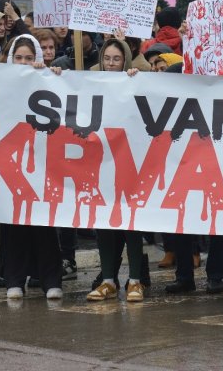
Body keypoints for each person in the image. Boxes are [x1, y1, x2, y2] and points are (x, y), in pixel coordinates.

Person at [0, 34, 64, 301]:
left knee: (44, 226)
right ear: (11, 58)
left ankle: (51, 280)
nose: (24, 62)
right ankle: (14, 279)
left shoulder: (49, 78)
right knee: (14, 226)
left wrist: (53, 74)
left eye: (29, 57)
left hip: (44, 163)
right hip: (12, 162)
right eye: (19, 57)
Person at [86, 38, 148, 303]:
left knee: (130, 222)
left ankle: (135, 280)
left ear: (125, 60)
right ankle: (108, 279)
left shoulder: (135, 79)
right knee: (103, 222)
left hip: (128, 161)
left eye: (117, 59)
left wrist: (136, 76)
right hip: (100, 162)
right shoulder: (90, 81)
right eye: (107, 58)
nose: (111, 64)